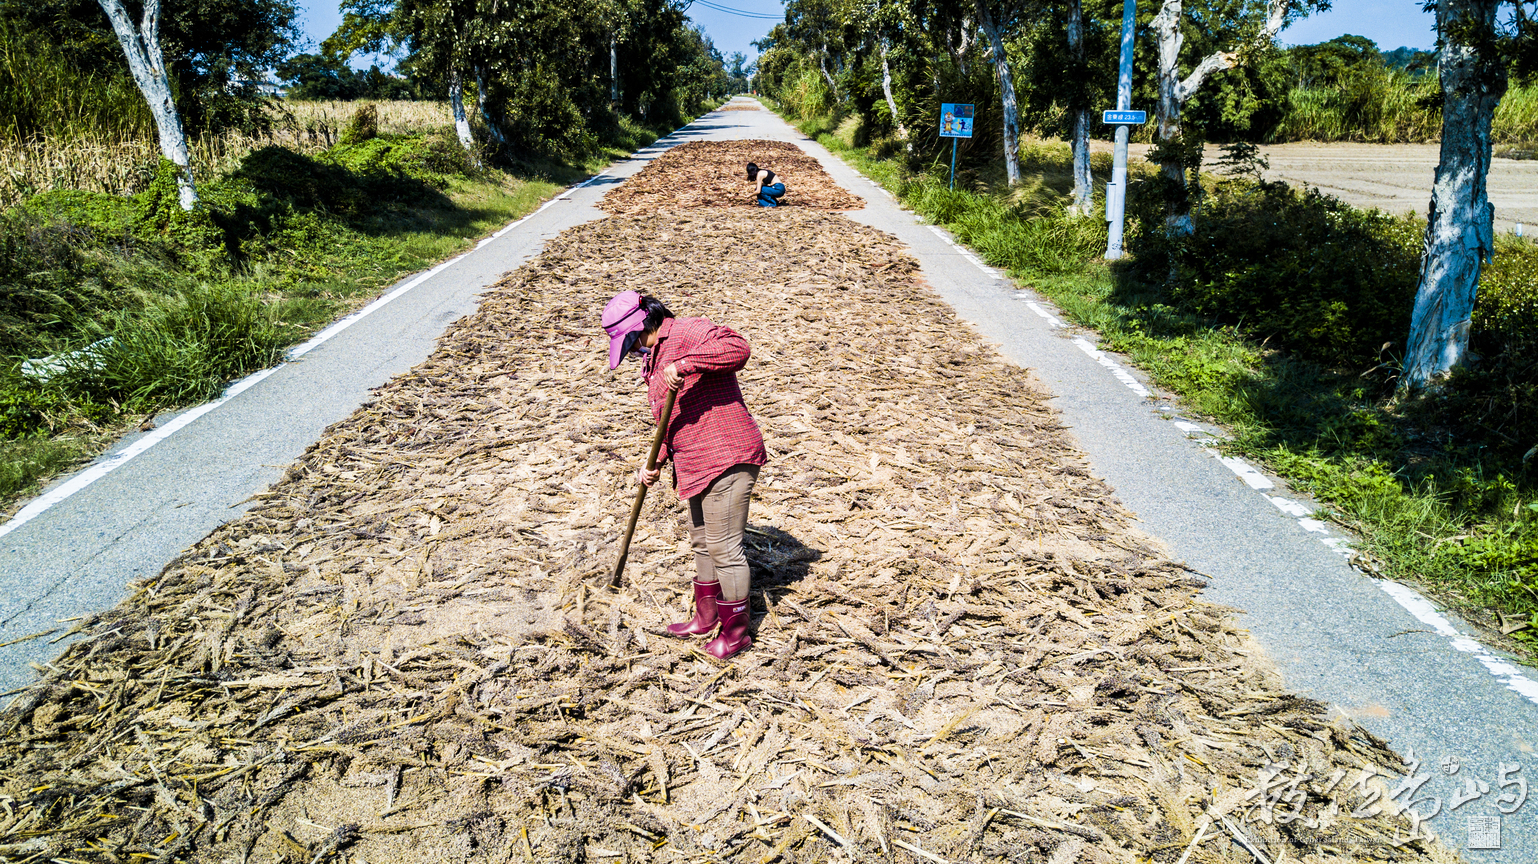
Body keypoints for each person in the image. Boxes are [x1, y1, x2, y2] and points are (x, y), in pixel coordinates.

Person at [601, 290, 768, 659]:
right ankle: (706, 618)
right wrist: (656, 462)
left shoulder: (688, 332)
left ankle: (736, 634)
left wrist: (687, 363)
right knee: (702, 542)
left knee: (724, 548)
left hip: (726, 454)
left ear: (639, 328)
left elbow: (738, 348)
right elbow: (670, 418)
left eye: (628, 342)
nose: (630, 351)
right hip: (694, 462)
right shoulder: (653, 357)